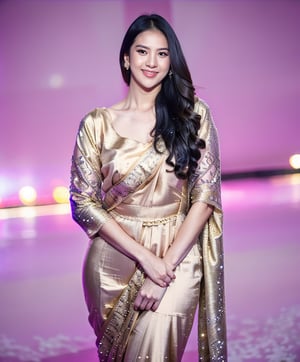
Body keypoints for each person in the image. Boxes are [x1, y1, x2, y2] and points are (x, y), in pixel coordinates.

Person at [70, 13, 227, 362]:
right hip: (113, 259)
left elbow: (204, 198)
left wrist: (162, 270)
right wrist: (144, 258)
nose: (151, 62)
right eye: (142, 52)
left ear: (172, 62)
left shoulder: (194, 116)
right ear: (126, 58)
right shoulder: (97, 124)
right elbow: (82, 202)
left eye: (162, 53)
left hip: (177, 257)